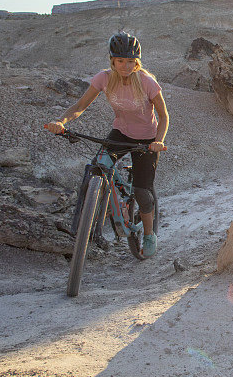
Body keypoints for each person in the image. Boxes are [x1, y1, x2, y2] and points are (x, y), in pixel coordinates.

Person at [46, 32, 169, 257]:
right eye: (121, 61)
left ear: (137, 61)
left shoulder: (147, 82)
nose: (125, 65)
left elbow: (164, 116)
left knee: (142, 191)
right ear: (112, 60)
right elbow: (80, 105)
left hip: (147, 139)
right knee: (97, 167)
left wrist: (158, 141)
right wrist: (60, 121)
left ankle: (150, 234)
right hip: (120, 133)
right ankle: (84, 225)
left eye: (131, 61)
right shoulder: (103, 78)